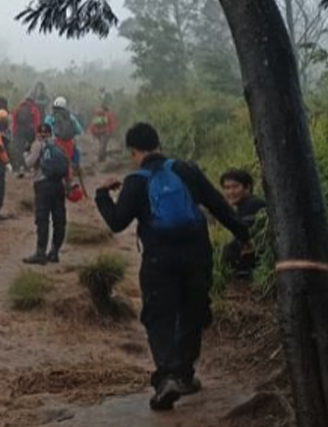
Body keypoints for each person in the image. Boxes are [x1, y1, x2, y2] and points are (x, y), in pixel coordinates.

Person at [96, 123, 252, 411]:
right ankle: (185, 376)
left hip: (158, 260)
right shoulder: (186, 169)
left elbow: (118, 223)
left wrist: (102, 196)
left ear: (133, 151)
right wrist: (246, 237)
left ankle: (166, 377)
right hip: (197, 255)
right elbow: (219, 206)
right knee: (192, 312)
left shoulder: (136, 181)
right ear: (159, 144)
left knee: (160, 319)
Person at [23, 123, 70, 264]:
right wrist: (68, 186)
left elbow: (29, 163)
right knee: (59, 220)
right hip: (58, 186)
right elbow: (67, 167)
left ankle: (40, 253)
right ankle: (55, 252)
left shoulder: (37, 145)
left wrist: (26, 154)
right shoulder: (57, 146)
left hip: (43, 185)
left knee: (43, 219)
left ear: (38, 133)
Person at [220, 168, 266, 279]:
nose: (231, 192)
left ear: (247, 187)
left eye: (235, 187)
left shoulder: (252, 205)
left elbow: (247, 238)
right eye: (227, 188)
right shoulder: (243, 206)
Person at [46, 96, 84, 167]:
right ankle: (75, 168)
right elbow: (79, 130)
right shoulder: (71, 117)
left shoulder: (49, 117)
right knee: (76, 153)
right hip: (69, 143)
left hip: (55, 143)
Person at [11, 95, 42, 177]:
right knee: (34, 148)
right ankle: (34, 167)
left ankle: (19, 167)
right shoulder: (34, 109)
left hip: (19, 130)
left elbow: (14, 120)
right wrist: (37, 133)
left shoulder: (19, 108)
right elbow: (37, 122)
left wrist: (14, 132)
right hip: (30, 130)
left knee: (19, 149)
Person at [90, 95, 118, 163]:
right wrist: (112, 131)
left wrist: (93, 132)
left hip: (98, 132)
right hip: (106, 131)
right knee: (103, 144)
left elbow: (93, 123)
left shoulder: (97, 113)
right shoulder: (109, 114)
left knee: (101, 144)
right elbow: (112, 123)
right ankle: (101, 158)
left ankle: (102, 157)